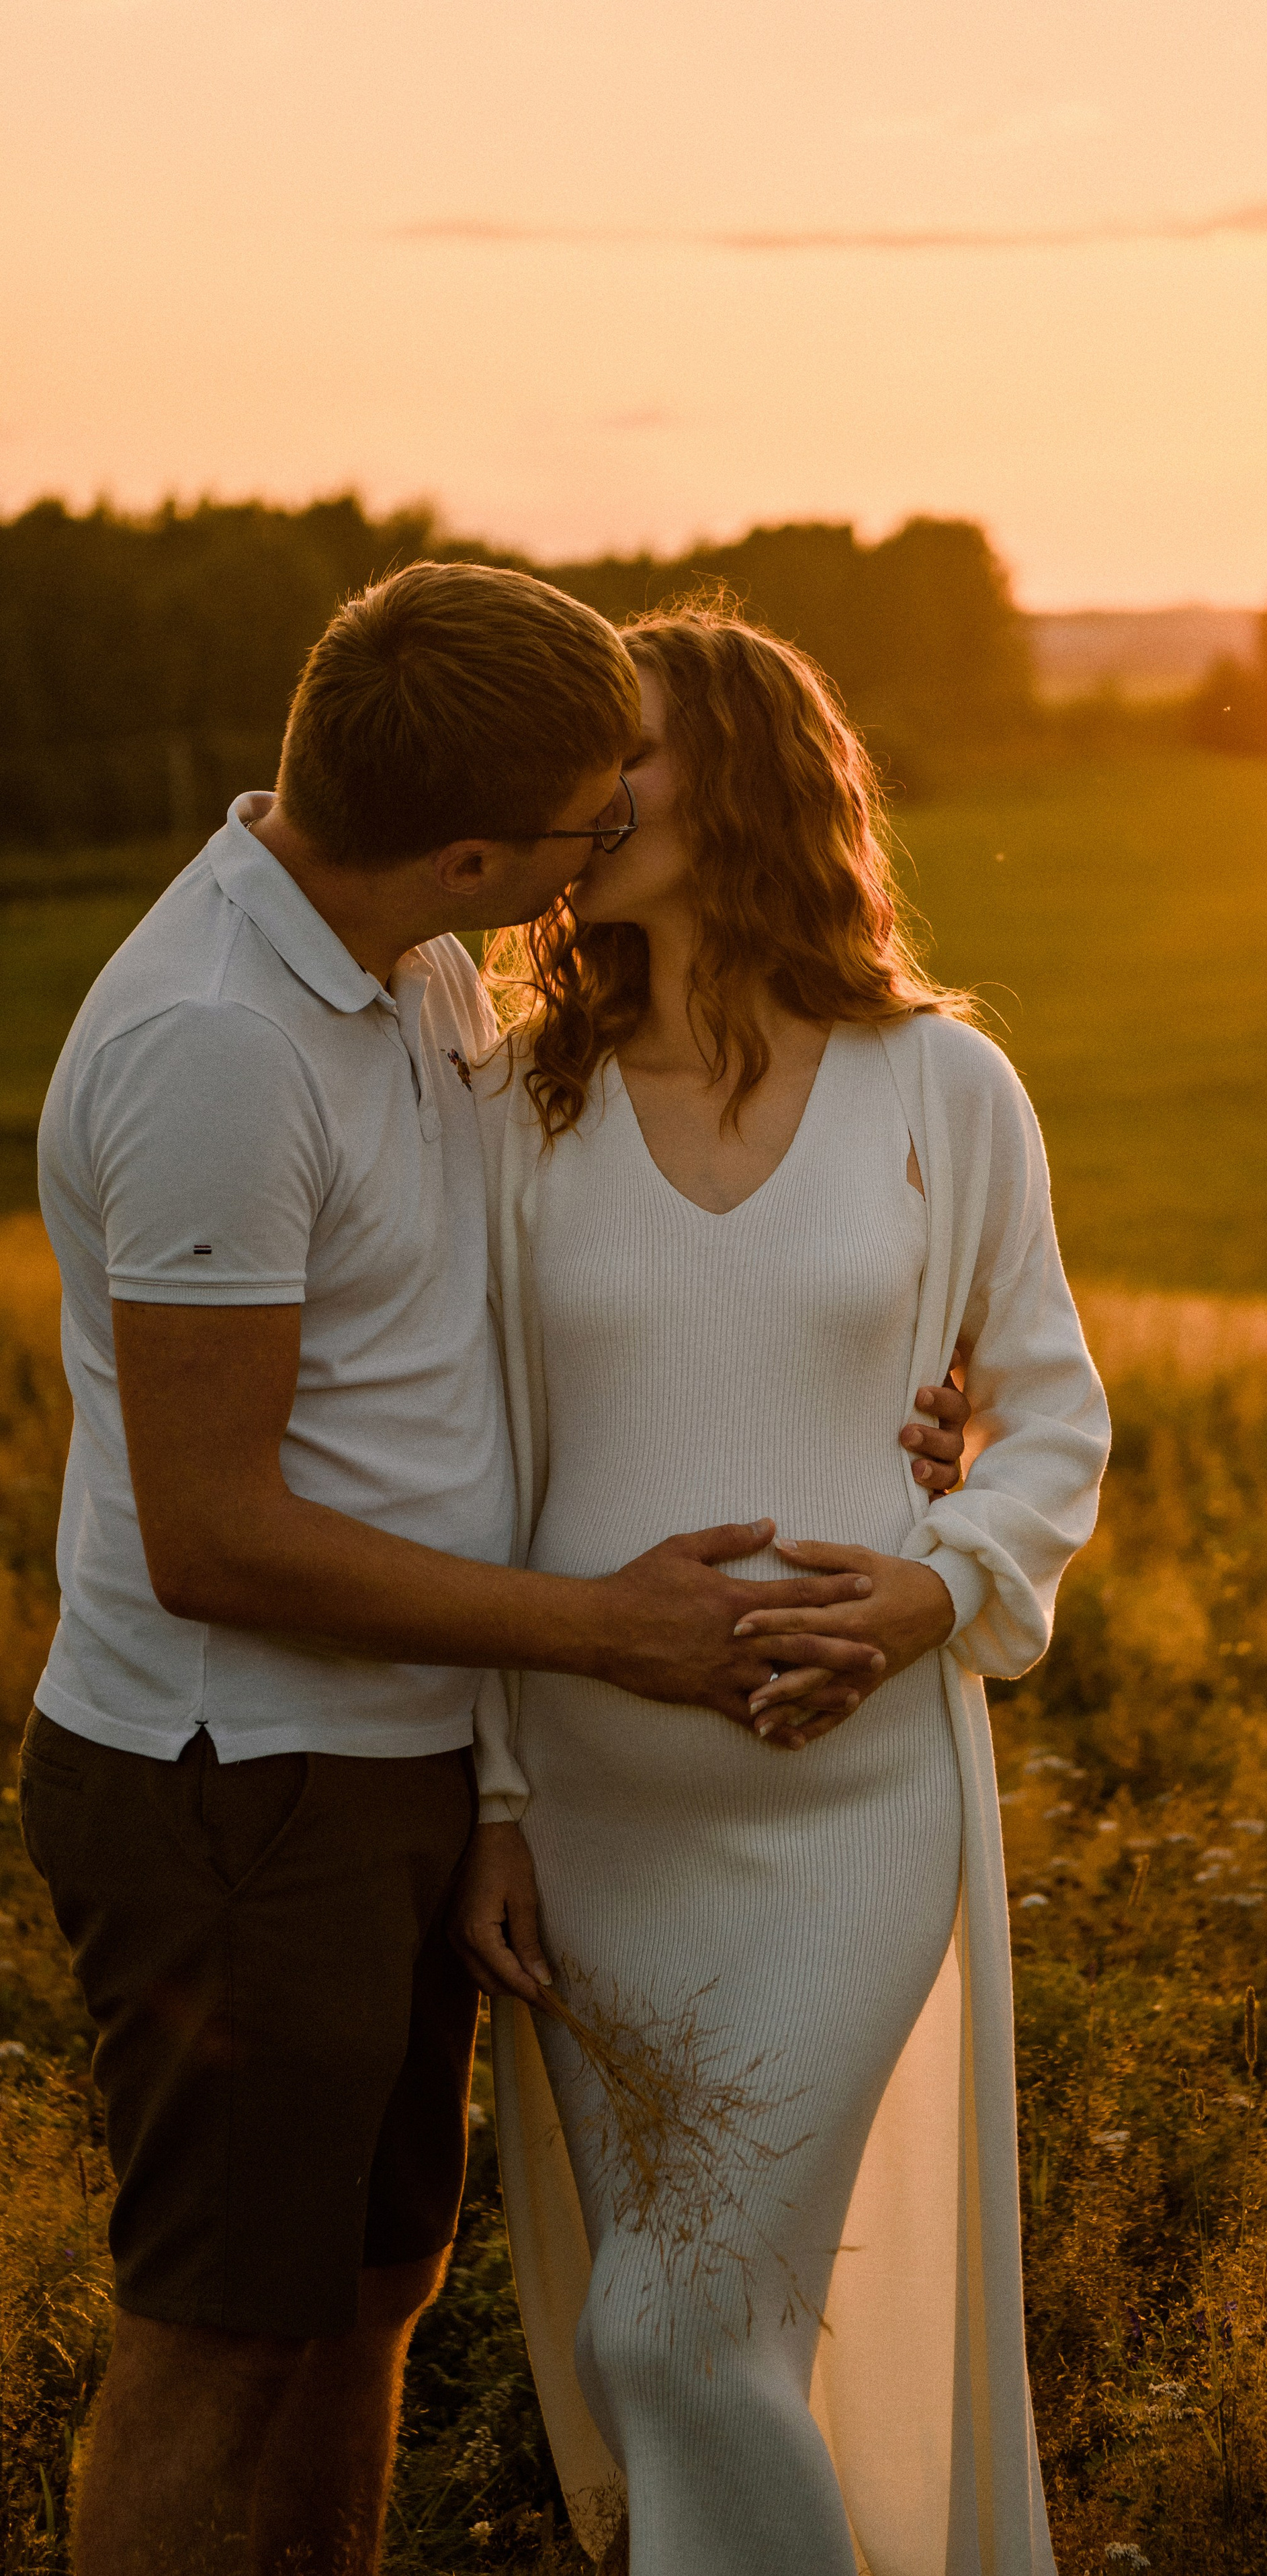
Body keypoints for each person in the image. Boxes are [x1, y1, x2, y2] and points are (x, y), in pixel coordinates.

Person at [19, 561, 970, 2576]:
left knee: (367, 2296)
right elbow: (212, 1534)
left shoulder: (416, 970)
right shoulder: (217, 1045)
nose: (592, 853)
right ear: (471, 847)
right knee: (222, 2341)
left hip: (389, 1763)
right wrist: (605, 1632)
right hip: (235, 1783)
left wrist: (899, 1396)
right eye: (577, 822)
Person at [454, 607, 1110, 2575]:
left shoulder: (943, 1092)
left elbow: (1053, 1410)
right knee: (694, 2334)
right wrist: (490, 1798)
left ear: (741, 777)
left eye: (627, 752)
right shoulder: (516, 1110)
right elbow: (475, 1479)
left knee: (673, 2319)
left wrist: (943, 1585)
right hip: (593, 1841)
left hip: (853, 1815)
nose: (588, 799)